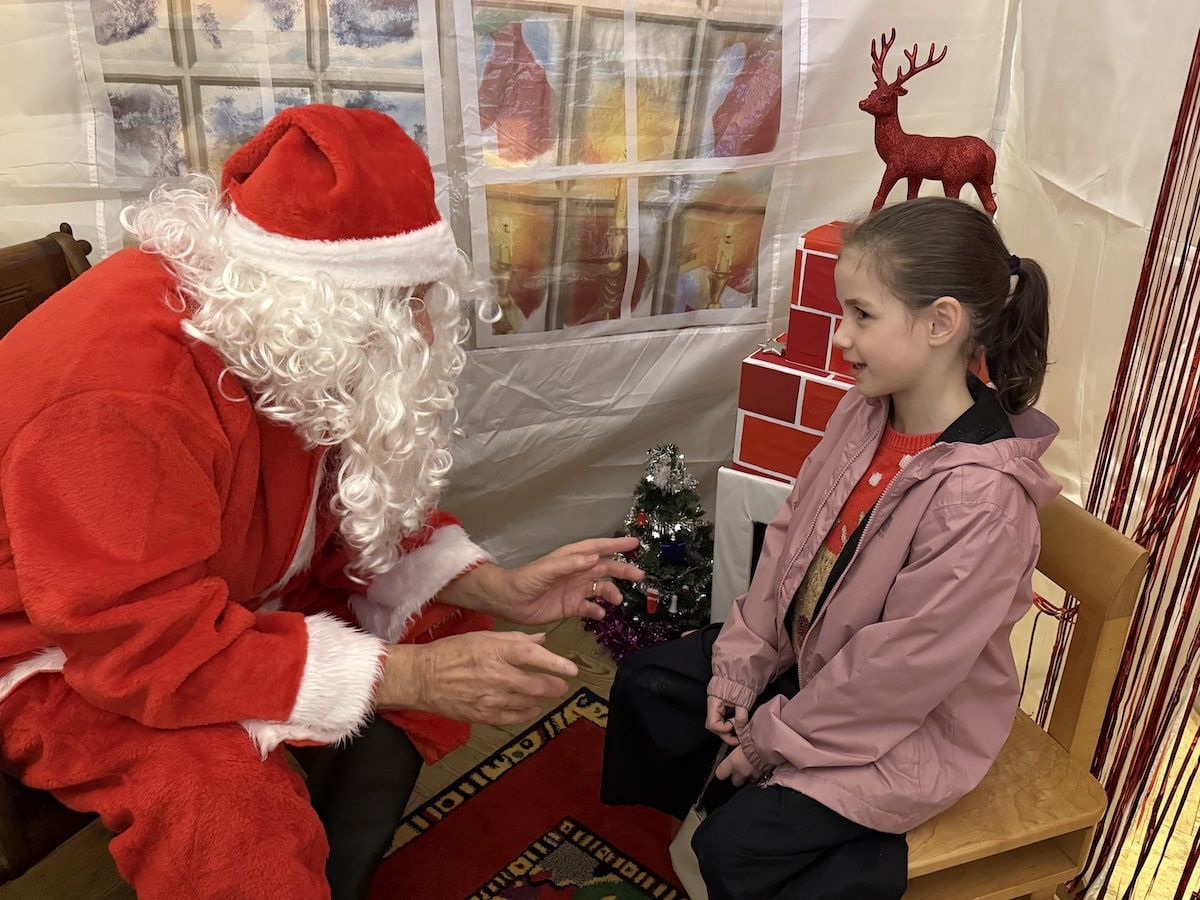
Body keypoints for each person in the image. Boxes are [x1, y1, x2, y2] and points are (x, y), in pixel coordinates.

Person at [0, 104, 642, 900]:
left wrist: (500, 589)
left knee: (436, 616)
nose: (419, 328)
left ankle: (334, 872)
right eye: (396, 300)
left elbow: (341, 513)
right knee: (226, 807)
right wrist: (409, 678)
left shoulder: (269, 326)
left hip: (216, 592)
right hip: (57, 651)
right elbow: (134, 649)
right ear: (313, 296)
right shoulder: (121, 391)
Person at [601, 197, 1059, 899]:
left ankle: (764, 836)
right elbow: (790, 541)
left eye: (862, 315)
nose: (842, 338)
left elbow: (899, 674)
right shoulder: (866, 408)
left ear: (941, 322)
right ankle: (703, 810)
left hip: (906, 721)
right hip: (813, 656)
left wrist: (769, 739)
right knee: (650, 686)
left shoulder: (982, 501)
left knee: (739, 851)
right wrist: (741, 666)